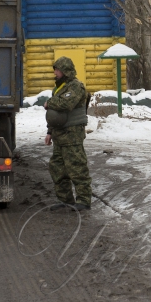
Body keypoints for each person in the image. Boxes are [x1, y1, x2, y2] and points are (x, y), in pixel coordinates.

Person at [44, 56, 92, 211]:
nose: (55, 73)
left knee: (77, 168)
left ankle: (84, 201)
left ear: (65, 71)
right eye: (55, 70)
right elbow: (55, 113)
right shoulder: (59, 88)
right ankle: (66, 200)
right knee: (57, 168)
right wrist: (50, 132)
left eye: (57, 70)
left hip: (72, 135)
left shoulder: (76, 86)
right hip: (59, 135)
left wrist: (48, 103)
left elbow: (66, 103)